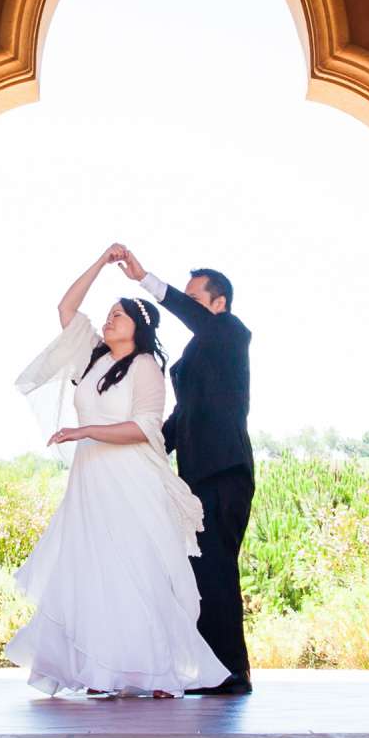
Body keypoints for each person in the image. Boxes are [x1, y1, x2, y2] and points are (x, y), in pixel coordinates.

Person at [5, 246, 230, 698]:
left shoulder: (146, 367)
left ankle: (161, 672)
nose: (108, 321)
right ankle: (101, 671)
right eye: (108, 314)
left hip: (131, 480)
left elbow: (145, 428)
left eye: (119, 316)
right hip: (89, 482)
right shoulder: (91, 357)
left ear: (139, 328)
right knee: (95, 573)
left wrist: (83, 430)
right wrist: (100, 262)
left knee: (136, 572)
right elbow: (66, 308)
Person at [116, 245, 253, 695]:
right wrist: (147, 446)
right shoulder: (200, 351)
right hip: (196, 477)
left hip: (224, 471)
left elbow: (195, 319)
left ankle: (233, 673)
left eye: (197, 299)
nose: (190, 304)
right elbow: (181, 418)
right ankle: (217, 671)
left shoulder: (231, 333)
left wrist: (146, 280)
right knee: (205, 571)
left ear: (220, 305)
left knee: (216, 570)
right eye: (188, 297)